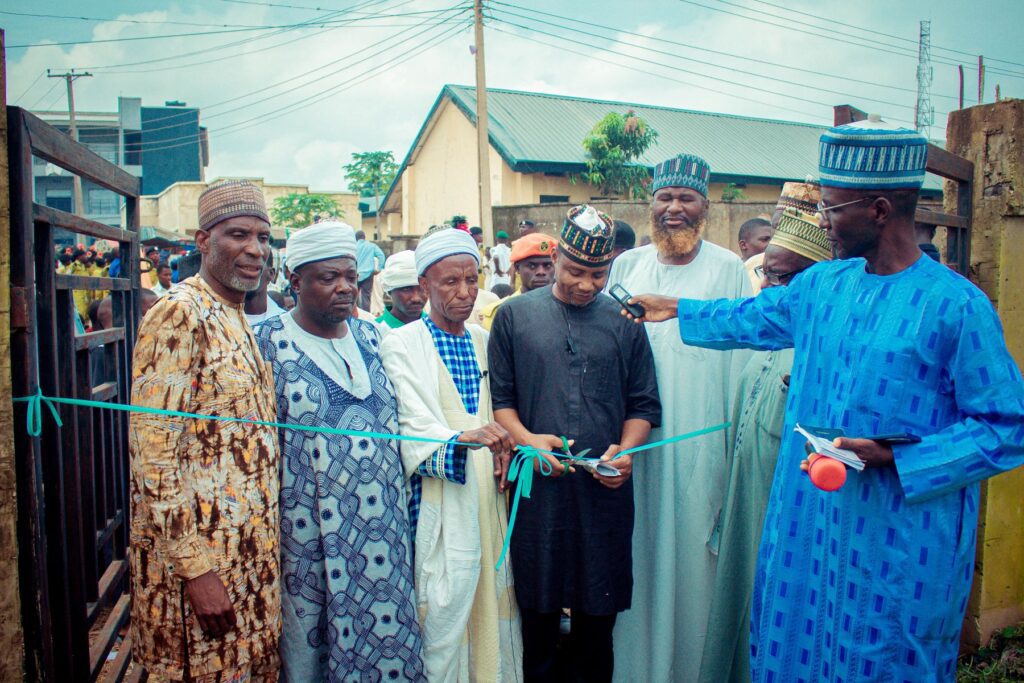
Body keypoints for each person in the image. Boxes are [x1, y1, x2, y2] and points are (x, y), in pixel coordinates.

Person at [625, 117, 1024, 681]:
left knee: (880, 657)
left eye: (833, 209)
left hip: (896, 537)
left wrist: (899, 457)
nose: (823, 222)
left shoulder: (955, 307)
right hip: (806, 527)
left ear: (880, 210)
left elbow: (1006, 427)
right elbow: (753, 317)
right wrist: (675, 308)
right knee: (791, 645)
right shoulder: (823, 285)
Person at [488, 205, 661, 682]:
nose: (586, 284)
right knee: (538, 616)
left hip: (604, 491)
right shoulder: (513, 316)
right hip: (537, 491)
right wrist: (527, 442)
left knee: (597, 618)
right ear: (556, 257)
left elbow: (644, 405)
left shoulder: (625, 321)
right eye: (575, 271)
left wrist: (624, 451)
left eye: (597, 274)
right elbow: (501, 402)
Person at [254, 222, 425, 681]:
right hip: (307, 537)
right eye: (328, 278)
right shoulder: (267, 344)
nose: (344, 287)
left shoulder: (372, 337)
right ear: (294, 281)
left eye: (350, 276)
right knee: (310, 647)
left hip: (384, 533)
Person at [607, 153, 752, 682]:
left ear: (705, 207)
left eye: (685, 198)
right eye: (664, 198)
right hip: (635, 446)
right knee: (637, 555)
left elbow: (739, 364)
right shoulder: (627, 267)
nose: (674, 209)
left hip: (700, 444)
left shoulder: (728, 269)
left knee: (694, 562)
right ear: (650, 205)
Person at [128, 179, 281, 682]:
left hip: (249, 561)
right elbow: (154, 456)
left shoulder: (235, 313)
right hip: (200, 570)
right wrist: (196, 571)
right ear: (202, 241)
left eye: (263, 237)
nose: (256, 250)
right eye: (239, 235)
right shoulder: (180, 313)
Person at [699, 181, 829, 683]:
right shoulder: (763, 342)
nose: (770, 291)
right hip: (745, 514)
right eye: (766, 278)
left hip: (795, 526)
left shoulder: (824, 354)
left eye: (783, 279)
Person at [379, 227, 522, 681]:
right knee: (443, 606)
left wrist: (505, 444)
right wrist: (466, 439)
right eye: (449, 283)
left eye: (471, 280)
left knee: (492, 601)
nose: (464, 293)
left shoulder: (484, 339)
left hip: (490, 496)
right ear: (423, 287)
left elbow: (503, 410)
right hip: (440, 498)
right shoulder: (401, 343)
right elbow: (409, 426)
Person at [479, 232, 557, 331]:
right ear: (516, 268)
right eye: (532, 266)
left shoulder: (567, 308)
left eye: (548, 265)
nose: (541, 272)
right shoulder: (500, 313)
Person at [377, 250, 426, 330]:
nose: (416, 298)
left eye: (422, 289)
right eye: (406, 289)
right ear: (389, 290)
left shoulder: (440, 329)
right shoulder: (373, 331)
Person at [245, 250, 286, 325]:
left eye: (254, 267)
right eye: (241, 267)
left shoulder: (286, 325)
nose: (247, 272)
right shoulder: (219, 321)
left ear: (271, 274)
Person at [355, 229, 386, 311]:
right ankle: (366, 315)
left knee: (353, 296)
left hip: (355, 275)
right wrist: (379, 268)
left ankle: (354, 315)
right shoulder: (371, 246)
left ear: (356, 238)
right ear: (364, 237)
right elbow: (381, 255)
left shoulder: (353, 247)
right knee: (366, 296)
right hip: (368, 274)